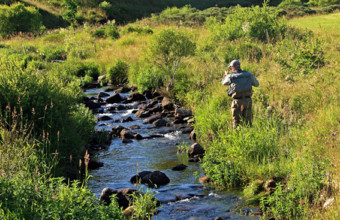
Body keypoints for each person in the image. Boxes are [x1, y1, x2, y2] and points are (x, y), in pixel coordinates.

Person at [222, 60, 259, 128]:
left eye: (231, 68)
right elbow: (257, 84)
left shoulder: (231, 76)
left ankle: (237, 136)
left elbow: (224, 82)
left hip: (237, 102)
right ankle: (249, 135)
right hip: (248, 101)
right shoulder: (248, 74)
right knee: (248, 122)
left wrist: (227, 75)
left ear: (233, 67)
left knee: (236, 123)